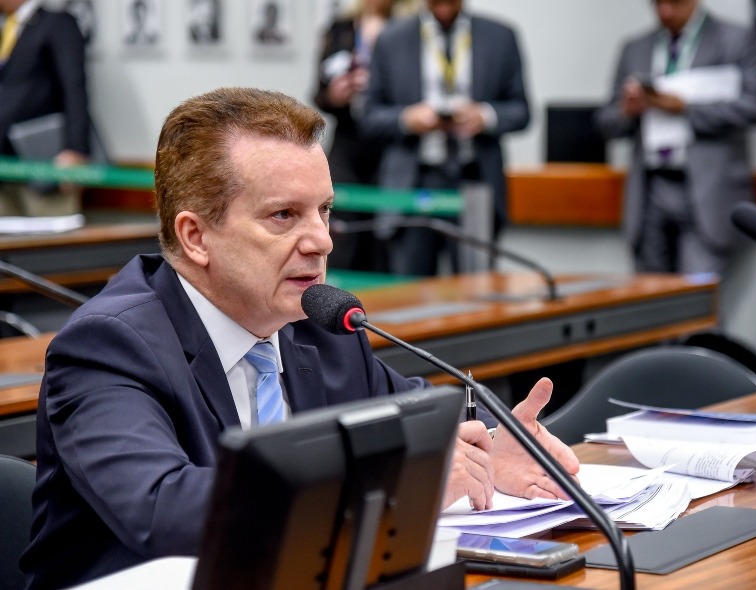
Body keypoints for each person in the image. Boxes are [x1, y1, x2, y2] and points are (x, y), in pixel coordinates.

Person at [19, 87, 579, 589]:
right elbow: (163, 509)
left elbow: (420, 423)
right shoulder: (108, 346)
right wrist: (401, 483)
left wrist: (487, 447)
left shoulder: (320, 323)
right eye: (284, 215)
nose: (322, 241)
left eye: (324, 210)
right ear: (196, 237)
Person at [595, 0, 756, 277]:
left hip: (707, 190)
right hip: (650, 188)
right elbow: (606, 121)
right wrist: (627, 112)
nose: (666, 11)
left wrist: (685, 107)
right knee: (649, 294)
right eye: (658, 3)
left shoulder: (735, 40)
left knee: (696, 295)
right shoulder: (635, 48)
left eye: (675, 2)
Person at [360, 0, 530, 276]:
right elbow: (368, 116)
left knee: (477, 288)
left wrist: (485, 116)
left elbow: (521, 111)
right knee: (410, 291)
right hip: (413, 185)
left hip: (475, 181)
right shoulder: (392, 38)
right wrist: (407, 119)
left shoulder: (500, 36)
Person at [313, 0, 416, 272]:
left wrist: (377, 90)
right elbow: (318, 92)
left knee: (382, 237)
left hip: (392, 147)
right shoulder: (340, 28)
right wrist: (335, 95)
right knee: (339, 230)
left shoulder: (408, 29)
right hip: (347, 141)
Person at [0, 0, 91, 216]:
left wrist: (75, 149)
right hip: (5, 165)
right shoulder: (5, 27)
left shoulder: (58, 24)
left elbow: (74, 87)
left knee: (50, 229)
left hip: (44, 161)